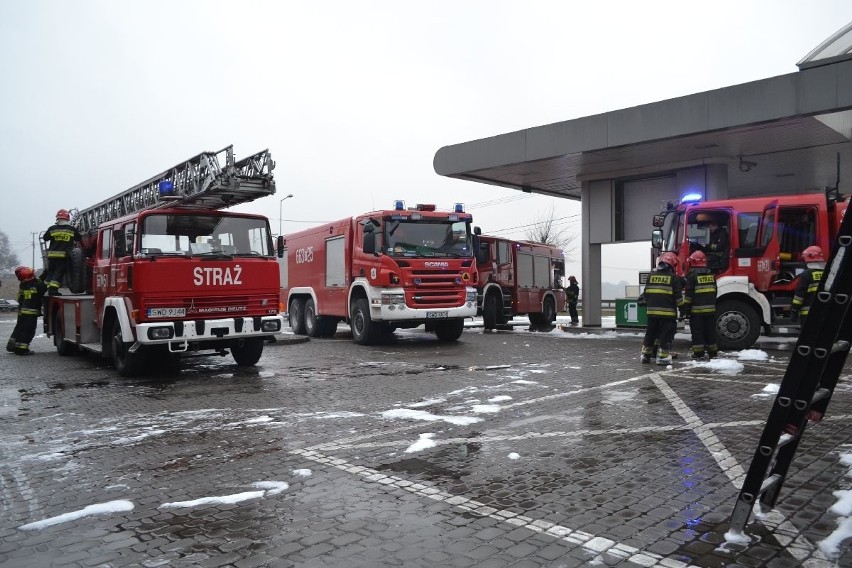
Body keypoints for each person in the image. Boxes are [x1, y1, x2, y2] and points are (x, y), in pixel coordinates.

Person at [641, 252, 684, 365]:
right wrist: (683, 310)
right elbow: (678, 298)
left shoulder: (651, 276)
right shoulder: (673, 278)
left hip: (651, 313)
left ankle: (646, 355)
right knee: (666, 335)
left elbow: (646, 294)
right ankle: (663, 357)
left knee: (650, 334)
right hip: (668, 315)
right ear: (672, 264)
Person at [682, 250, 718, 359]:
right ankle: (713, 353)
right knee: (710, 331)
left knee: (697, 332)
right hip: (710, 311)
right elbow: (715, 292)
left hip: (696, 312)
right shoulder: (712, 276)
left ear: (692, 262)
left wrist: (686, 310)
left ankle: (698, 353)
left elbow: (689, 296)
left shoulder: (692, 277)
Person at [5, 266, 47, 355]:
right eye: (32, 274)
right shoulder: (35, 285)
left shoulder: (23, 285)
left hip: (22, 312)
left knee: (20, 329)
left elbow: (36, 283)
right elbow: (43, 287)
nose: (34, 274)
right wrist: (45, 275)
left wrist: (42, 276)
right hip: (30, 313)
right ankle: (22, 349)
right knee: (28, 331)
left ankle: (13, 346)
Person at [42, 209, 82, 295]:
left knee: (51, 272)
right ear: (67, 219)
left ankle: (47, 288)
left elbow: (45, 238)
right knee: (58, 273)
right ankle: (53, 290)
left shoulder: (52, 229)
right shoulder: (71, 229)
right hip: (63, 256)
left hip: (52, 256)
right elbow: (79, 238)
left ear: (57, 218)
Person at [790, 245, 826, 327]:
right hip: (824, 312)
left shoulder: (806, 274)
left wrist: (794, 310)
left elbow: (799, 296)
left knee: (808, 338)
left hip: (808, 315)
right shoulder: (827, 273)